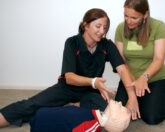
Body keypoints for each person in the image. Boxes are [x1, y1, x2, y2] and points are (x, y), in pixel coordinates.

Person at [0, 8, 133, 128]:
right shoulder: (72, 43)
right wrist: (93, 82)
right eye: (98, 26)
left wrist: (132, 97)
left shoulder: (107, 45)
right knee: (31, 105)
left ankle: (72, 107)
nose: (102, 31)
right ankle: (64, 107)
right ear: (85, 25)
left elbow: (122, 69)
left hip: (91, 93)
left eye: (105, 28)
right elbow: (69, 77)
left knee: (108, 117)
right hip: (67, 88)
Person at [114, 0, 165, 125]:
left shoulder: (159, 27)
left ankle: (161, 104)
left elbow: (159, 59)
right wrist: (132, 91)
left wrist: (143, 78)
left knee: (152, 117)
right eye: (126, 16)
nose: (128, 21)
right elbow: (121, 62)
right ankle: (144, 101)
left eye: (134, 17)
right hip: (129, 80)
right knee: (122, 115)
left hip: (154, 79)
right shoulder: (120, 29)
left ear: (145, 14)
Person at [30, 100, 131, 132]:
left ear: (113, 118)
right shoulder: (96, 115)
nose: (121, 102)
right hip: (43, 116)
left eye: (120, 108)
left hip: (41, 123)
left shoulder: (93, 125)